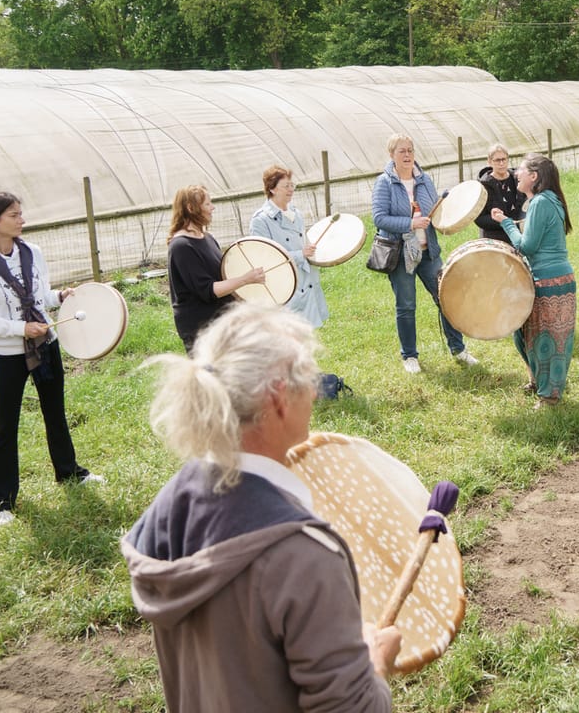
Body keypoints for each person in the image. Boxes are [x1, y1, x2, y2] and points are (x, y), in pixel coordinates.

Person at [120, 305, 401, 712]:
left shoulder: (167, 509)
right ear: (278, 397)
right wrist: (374, 664)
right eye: (309, 378)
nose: (318, 391)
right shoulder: (303, 556)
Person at [0, 192, 103, 525]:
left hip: (45, 345)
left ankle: (69, 473)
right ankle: (0, 502)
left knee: (56, 413)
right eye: (14, 215)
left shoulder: (32, 253)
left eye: (21, 213)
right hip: (9, 354)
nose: (22, 220)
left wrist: (60, 296)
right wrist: (20, 328)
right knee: (6, 425)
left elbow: (40, 297)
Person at [371, 133, 478, 374]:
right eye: (402, 151)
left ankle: (458, 349)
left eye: (410, 150)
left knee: (446, 297)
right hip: (401, 255)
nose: (407, 155)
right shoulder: (384, 183)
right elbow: (379, 218)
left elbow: (434, 212)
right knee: (406, 305)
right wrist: (410, 223)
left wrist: (448, 219)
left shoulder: (424, 180)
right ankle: (409, 356)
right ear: (392, 155)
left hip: (428, 253)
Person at [491, 153, 576, 409]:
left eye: (522, 170)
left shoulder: (541, 202)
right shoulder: (547, 200)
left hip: (550, 281)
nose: (517, 173)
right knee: (524, 333)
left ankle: (549, 397)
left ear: (534, 177)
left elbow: (526, 246)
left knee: (547, 341)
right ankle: (538, 382)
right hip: (550, 279)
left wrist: (505, 221)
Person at [166, 185, 264, 352]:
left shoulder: (207, 238)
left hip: (222, 323)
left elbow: (221, 277)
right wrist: (245, 279)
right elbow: (208, 289)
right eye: (207, 204)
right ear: (191, 208)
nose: (213, 208)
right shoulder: (182, 246)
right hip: (201, 329)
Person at [249, 165, 328, 328]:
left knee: (307, 334)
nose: (291, 190)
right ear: (272, 189)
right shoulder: (260, 221)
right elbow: (265, 259)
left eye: (292, 185)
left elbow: (302, 242)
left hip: (306, 280)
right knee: (288, 334)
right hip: (284, 285)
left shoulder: (295, 213)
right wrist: (300, 254)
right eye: (286, 186)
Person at [474, 143, 524, 243]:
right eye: (497, 160)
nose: (501, 163)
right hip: (495, 239)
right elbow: (479, 218)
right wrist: (503, 221)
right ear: (489, 161)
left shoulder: (518, 179)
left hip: (519, 235)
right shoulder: (483, 186)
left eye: (504, 159)